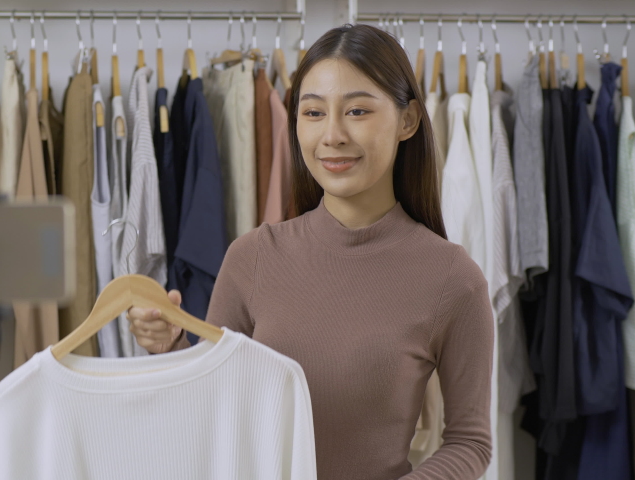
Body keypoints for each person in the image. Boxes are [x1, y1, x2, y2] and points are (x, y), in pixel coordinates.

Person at [127, 24, 493, 479]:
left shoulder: (453, 278)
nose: (332, 135)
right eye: (313, 112)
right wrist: (172, 348)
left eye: (357, 110)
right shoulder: (252, 258)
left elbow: (470, 442)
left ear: (408, 120)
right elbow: (211, 414)